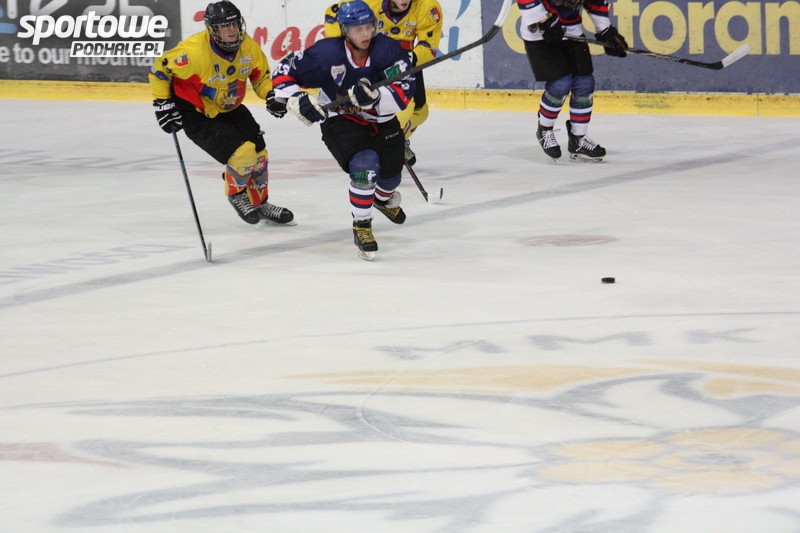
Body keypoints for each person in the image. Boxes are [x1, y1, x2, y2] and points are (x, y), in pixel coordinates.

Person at [267, 0, 415, 261]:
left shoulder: (388, 50)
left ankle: (382, 199)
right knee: (365, 166)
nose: (365, 33)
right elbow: (283, 71)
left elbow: (404, 89)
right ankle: (362, 225)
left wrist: (376, 97)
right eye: (358, 29)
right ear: (345, 30)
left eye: (369, 26)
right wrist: (295, 98)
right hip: (341, 119)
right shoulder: (327, 54)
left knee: (390, 180)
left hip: (383, 120)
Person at [149, 0, 294, 225]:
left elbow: (261, 77)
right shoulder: (193, 52)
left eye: (233, 24)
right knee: (242, 153)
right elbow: (159, 69)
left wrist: (271, 95)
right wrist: (163, 104)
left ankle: (260, 203)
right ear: (212, 29)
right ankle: (237, 195)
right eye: (224, 26)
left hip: (229, 106)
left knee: (259, 154)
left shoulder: (248, 47)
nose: (231, 30)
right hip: (196, 112)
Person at [322, 0, 443, 167]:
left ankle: (399, 139)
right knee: (400, 109)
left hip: (405, 62)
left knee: (421, 112)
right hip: (371, 61)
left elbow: (429, 47)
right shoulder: (370, 3)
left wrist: (410, 58)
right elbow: (333, 13)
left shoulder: (428, 7)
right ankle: (387, 142)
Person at [517, 0, 628, 162]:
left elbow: (596, 2)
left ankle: (578, 138)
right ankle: (545, 128)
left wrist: (605, 31)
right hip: (540, 35)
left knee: (584, 82)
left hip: (572, 32)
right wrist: (543, 19)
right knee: (560, 83)